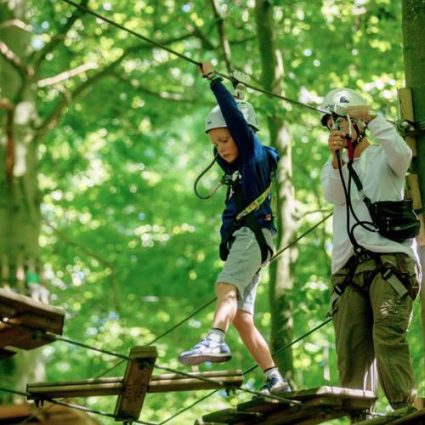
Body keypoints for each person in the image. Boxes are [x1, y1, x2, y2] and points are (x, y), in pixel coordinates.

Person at [178, 63, 291, 395]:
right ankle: (275, 378)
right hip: (252, 240)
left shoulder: (254, 156)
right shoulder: (240, 171)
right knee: (242, 317)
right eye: (216, 144)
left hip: (252, 236)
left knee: (225, 286)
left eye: (225, 139)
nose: (221, 147)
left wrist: (214, 81)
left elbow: (238, 122)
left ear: (243, 134)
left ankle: (214, 340)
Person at [320, 88, 420, 417]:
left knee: (386, 336)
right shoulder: (333, 167)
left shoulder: (383, 156)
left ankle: (405, 411)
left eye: (340, 121)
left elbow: (402, 155)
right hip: (349, 270)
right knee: (351, 351)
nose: (335, 129)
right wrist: (337, 160)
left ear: (356, 122)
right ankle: (359, 418)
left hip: (391, 261)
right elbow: (335, 195)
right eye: (330, 124)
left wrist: (373, 117)